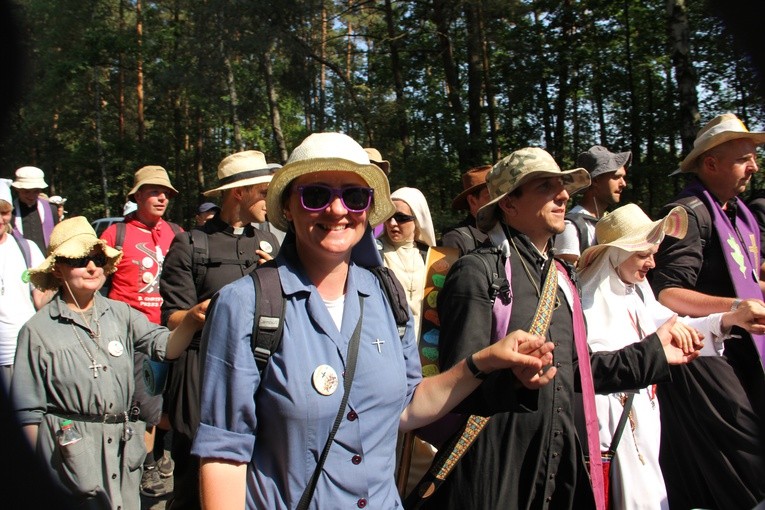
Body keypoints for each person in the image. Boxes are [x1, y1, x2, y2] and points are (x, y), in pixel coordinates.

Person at [192, 132, 558, 509]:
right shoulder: (243, 305)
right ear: (288, 207)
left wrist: (485, 361)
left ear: (367, 209)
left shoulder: (385, 294)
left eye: (354, 196)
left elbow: (408, 406)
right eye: (315, 195)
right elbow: (223, 455)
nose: (337, 210)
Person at [425, 147, 700, 510]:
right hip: (495, 468)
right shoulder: (477, 273)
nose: (564, 194)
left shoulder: (563, 279)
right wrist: (514, 380)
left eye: (563, 186)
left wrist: (653, 353)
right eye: (545, 186)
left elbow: (580, 372)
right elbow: (457, 385)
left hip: (558, 464)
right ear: (508, 204)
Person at [578, 203, 765, 510]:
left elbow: (674, 327)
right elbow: (595, 368)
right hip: (615, 429)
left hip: (645, 420)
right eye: (643, 254)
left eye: (654, 253)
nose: (652, 263)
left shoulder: (636, 289)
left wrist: (731, 317)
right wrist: (654, 352)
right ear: (616, 253)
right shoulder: (589, 298)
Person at [10, 217, 203, 509]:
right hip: (71, 460)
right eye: (80, 259)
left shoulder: (121, 314)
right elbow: (27, 414)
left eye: (98, 259)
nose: (92, 267)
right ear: (58, 270)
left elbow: (166, 347)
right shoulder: (36, 331)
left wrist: (190, 319)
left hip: (123, 453)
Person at [651, 112, 765, 509]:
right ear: (711, 163)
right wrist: (735, 309)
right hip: (710, 360)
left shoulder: (738, 212)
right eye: (744, 158)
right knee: (745, 466)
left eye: (755, 157)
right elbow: (667, 293)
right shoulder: (688, 212)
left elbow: (748, 278)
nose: (754, 166)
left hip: (747, 352)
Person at [160, 150, 281, 510]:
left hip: (258, 369)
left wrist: (277, 273)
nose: (269, 201)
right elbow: (172, 319)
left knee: (250, 470)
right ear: (239, 193)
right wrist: (203, 313)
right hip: (201, 368)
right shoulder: (190, 244)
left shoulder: (270, 243)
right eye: (264, 191)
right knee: (194, 475)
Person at [100, 165, 183, 498]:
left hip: (172, 330)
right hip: (132, 335)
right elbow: (95, 282)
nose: (162, 197)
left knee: (169, 404)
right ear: (136, 197)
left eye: (166, 193)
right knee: (142, 406)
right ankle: (145, 466)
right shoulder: (115, 235)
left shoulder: (176, 233)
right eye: (153, 191)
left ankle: (161, 454)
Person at [0, 179, 47, 390]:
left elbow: (40, 298)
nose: (0, 219)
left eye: (4, 212)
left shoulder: (26, 248)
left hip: (25, 350)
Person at [554, 145, 630, 264]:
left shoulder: (608, 222)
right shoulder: (571, 226)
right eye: (616, 177)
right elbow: (565, 279)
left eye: (623, 178)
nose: (623, 184)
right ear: (595, 181)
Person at [381, 186, 436, 340]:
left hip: (425, 345)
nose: (392, 223)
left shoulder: (431, 257)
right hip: (389, 340)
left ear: (417, 220)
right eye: (388, 216)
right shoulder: (374, 253)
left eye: (401, 217)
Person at [441, 165, 491, 255]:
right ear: (472, 201)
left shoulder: (510, 232)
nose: (499, 201)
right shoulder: (454, 239)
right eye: (490, 196)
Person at [11, 165, 60, 253]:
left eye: (36, 191)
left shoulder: (51, 210)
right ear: (18, 189)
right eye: (26, 191)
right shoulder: (10, 212)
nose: (31, 196)